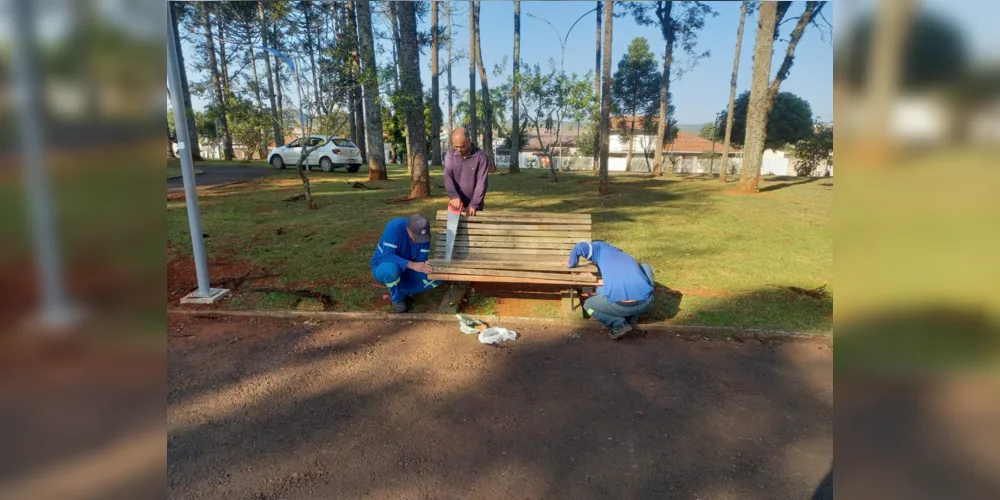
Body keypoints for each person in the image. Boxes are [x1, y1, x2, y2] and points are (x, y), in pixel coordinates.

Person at [568, 241, 655, 340]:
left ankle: (619, 323)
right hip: (646, 302)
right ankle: (633, 317)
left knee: (588, 305)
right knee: (646, 267)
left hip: (619, 306)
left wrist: (572, 264)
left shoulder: (600, 250)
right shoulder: (626, 256)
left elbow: (579, 247)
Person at [370, 214, 441, 313]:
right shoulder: (394, 227)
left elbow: (421, 260)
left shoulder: (425, 236)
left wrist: (423, 268)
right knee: (390, 271)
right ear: (408, 230)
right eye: (417, 237)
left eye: (423, 237)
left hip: (408, 268)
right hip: (383, 265)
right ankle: (397, 299)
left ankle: (402, 289)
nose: (420, 240)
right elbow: (387, 256)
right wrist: (411, 264)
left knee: (437, 277)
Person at [444, 127, 489, 216]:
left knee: (474, 229)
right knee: (452, 230)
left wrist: (474, 204)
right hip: (455, 204)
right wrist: (454, 196)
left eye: (462, 146)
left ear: (469, 141)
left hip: (474, 206)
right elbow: (448, 177)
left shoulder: (481, 156)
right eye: (456, 146)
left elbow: (481, 183)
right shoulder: (450, 154)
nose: (459, 150)